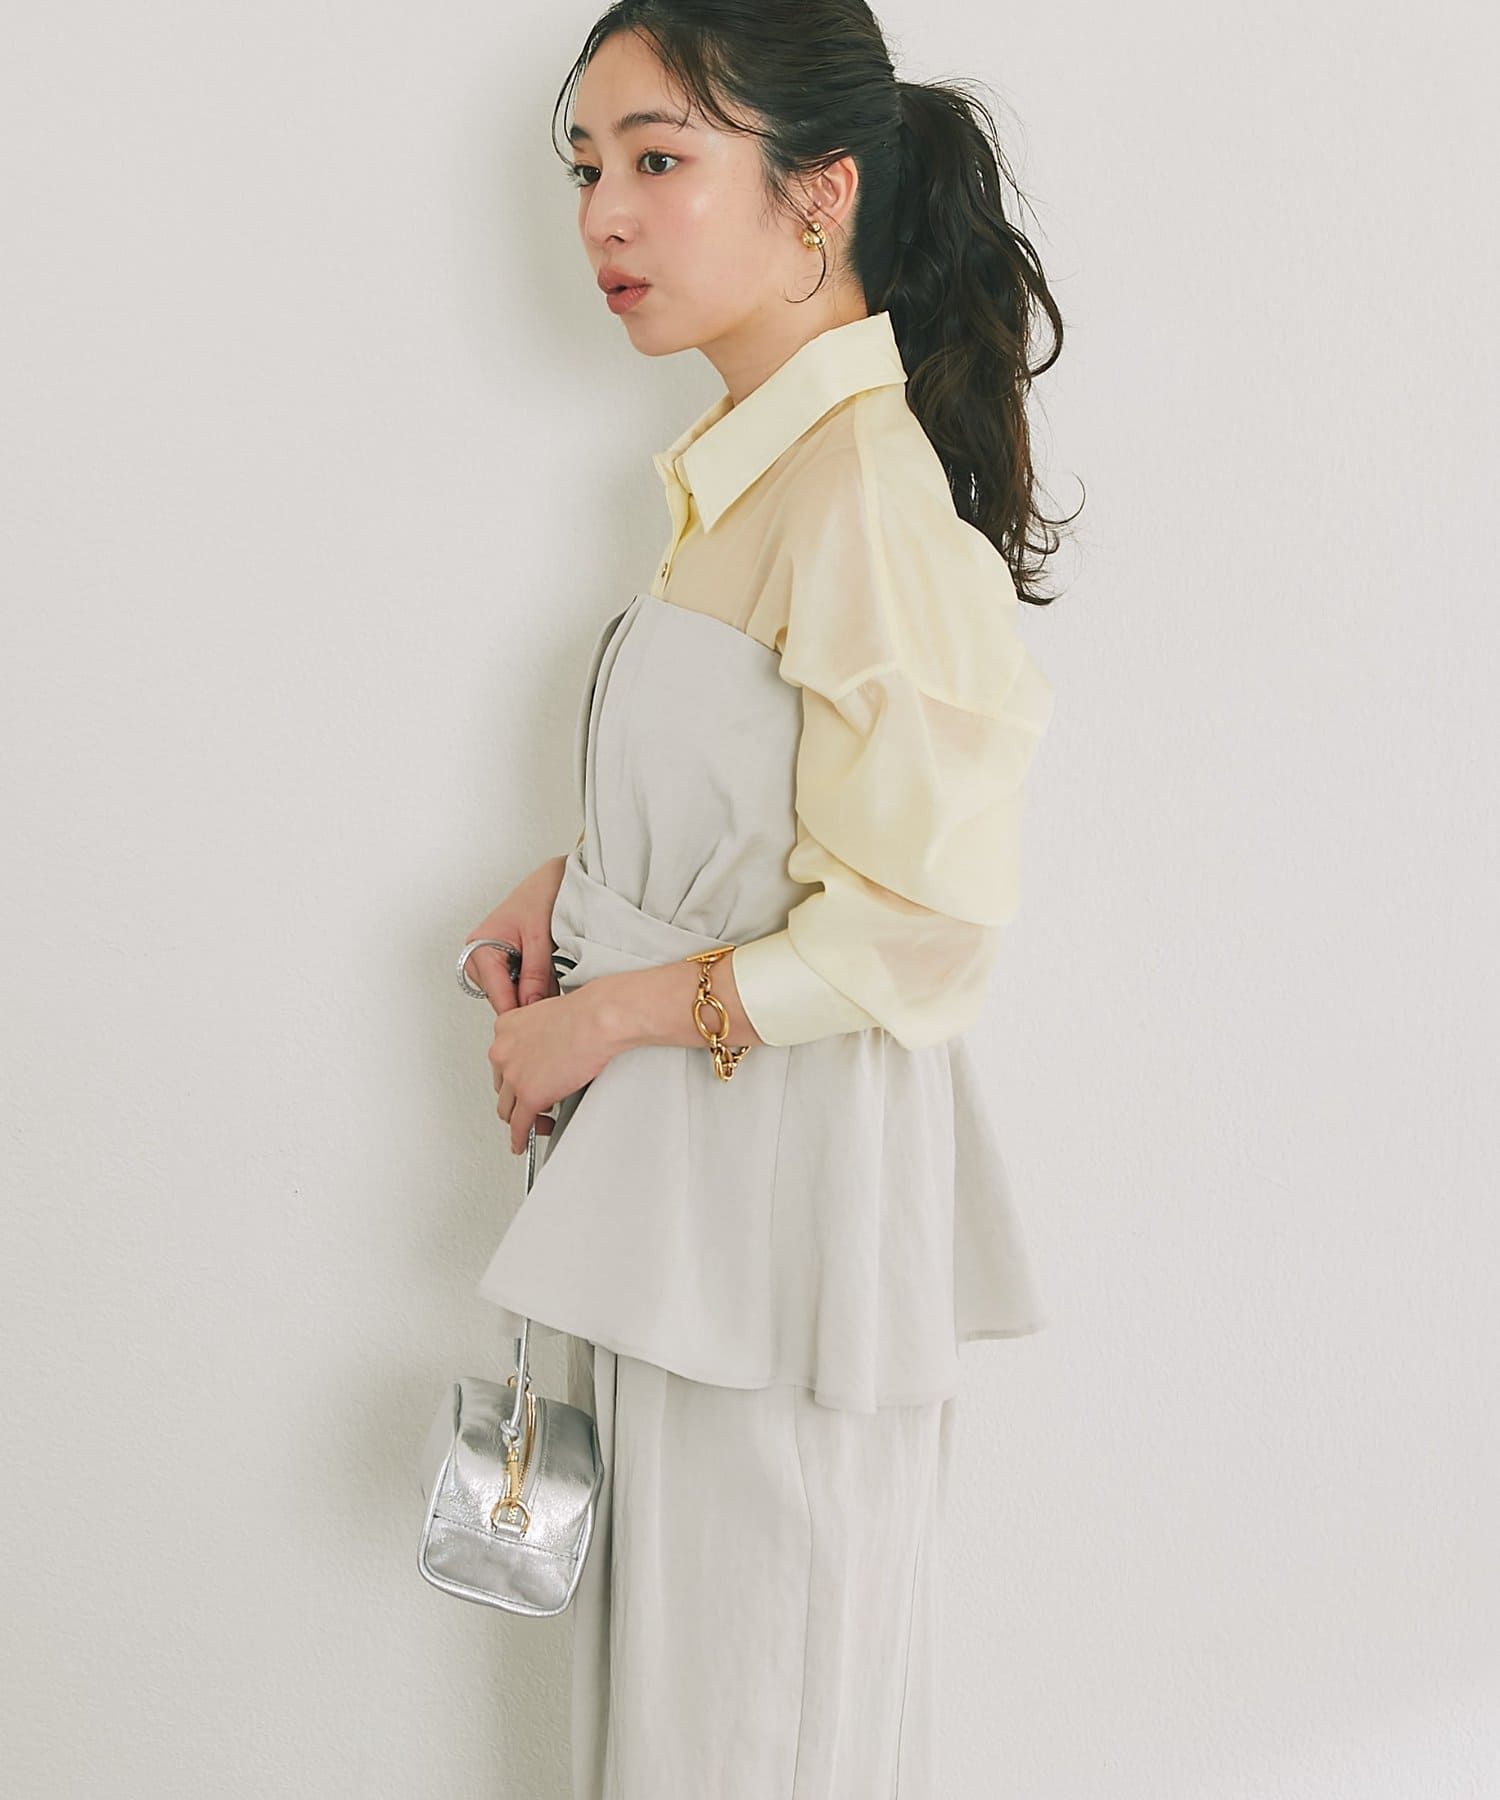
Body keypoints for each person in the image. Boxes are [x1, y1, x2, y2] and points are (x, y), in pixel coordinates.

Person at [458, 4, 1077, 1794]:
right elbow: (771, 810)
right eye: (588, 166)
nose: (604, 214)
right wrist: (583, 887)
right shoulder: (748, 471)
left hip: (786, 1218)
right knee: (691, 1721)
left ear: (822, 193)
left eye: (660, 158)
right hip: (704, 1206)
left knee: (756, 1729)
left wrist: (608, 1013)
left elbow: (920, 926)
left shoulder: (860, 492)